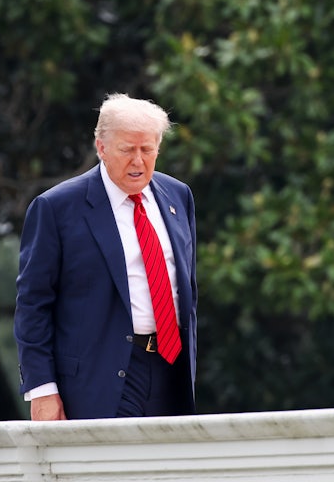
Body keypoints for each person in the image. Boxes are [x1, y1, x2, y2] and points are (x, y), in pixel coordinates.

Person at [14, 93, 197, 420]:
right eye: (127, 150)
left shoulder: (178, 196)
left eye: (148, 150)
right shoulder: (56, 208)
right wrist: (42, 388)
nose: (139, 162)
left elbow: (186, 290)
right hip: (100, 376)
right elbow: (33, 302)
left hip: (172, 369)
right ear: (101, 147)